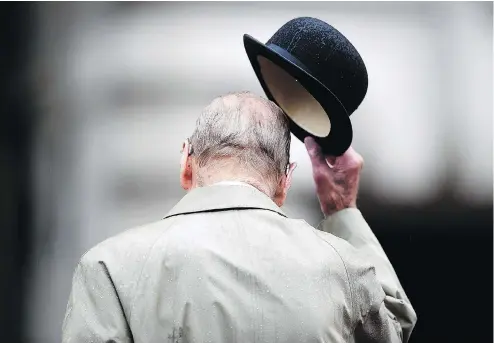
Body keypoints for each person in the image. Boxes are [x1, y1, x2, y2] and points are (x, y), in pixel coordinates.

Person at [62, 91, 417, 343]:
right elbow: (394, 328)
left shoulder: (109, 269)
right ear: (285, 181)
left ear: (187, 163)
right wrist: (342, 209)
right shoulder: (342, 269)